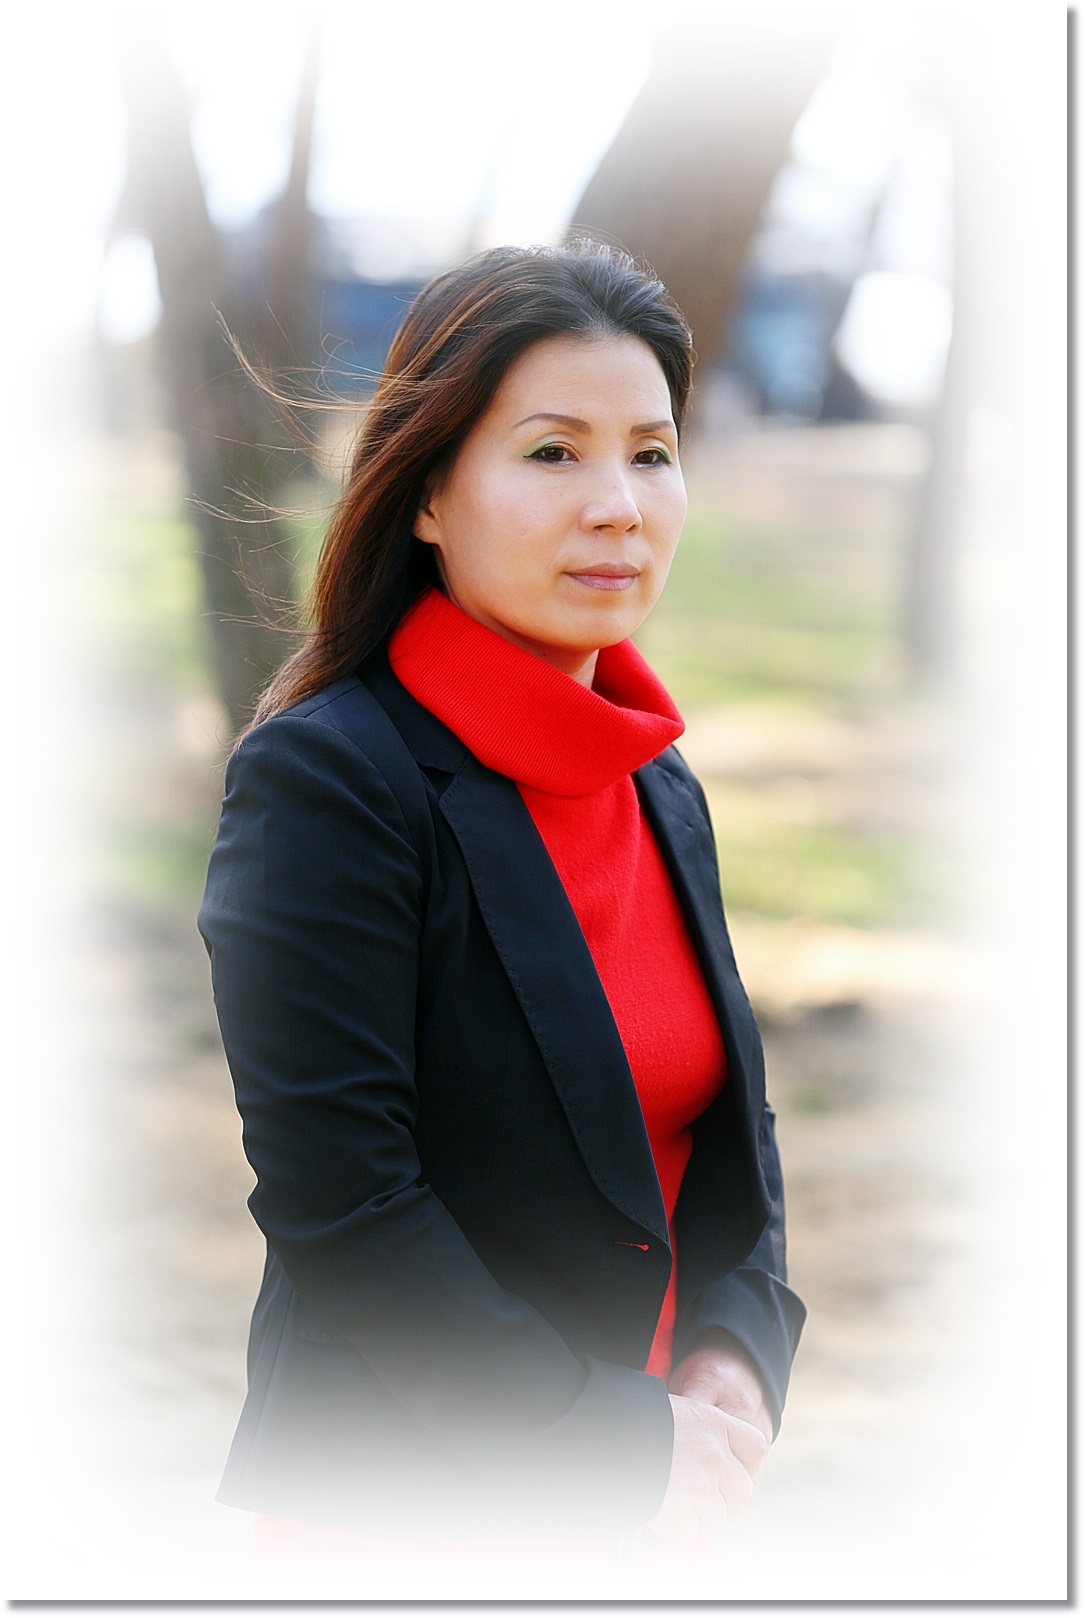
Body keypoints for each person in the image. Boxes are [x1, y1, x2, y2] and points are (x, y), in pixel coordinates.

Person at [197, 240, 806, 1558]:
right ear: (425, 492)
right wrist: (616, 1446)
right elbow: (344, 1204)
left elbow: (730, 1136)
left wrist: (733, 1360)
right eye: (553, 452)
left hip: (658, 1500)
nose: (619, 505)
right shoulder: (330, 780)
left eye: (651, 452)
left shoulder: (655, 779)